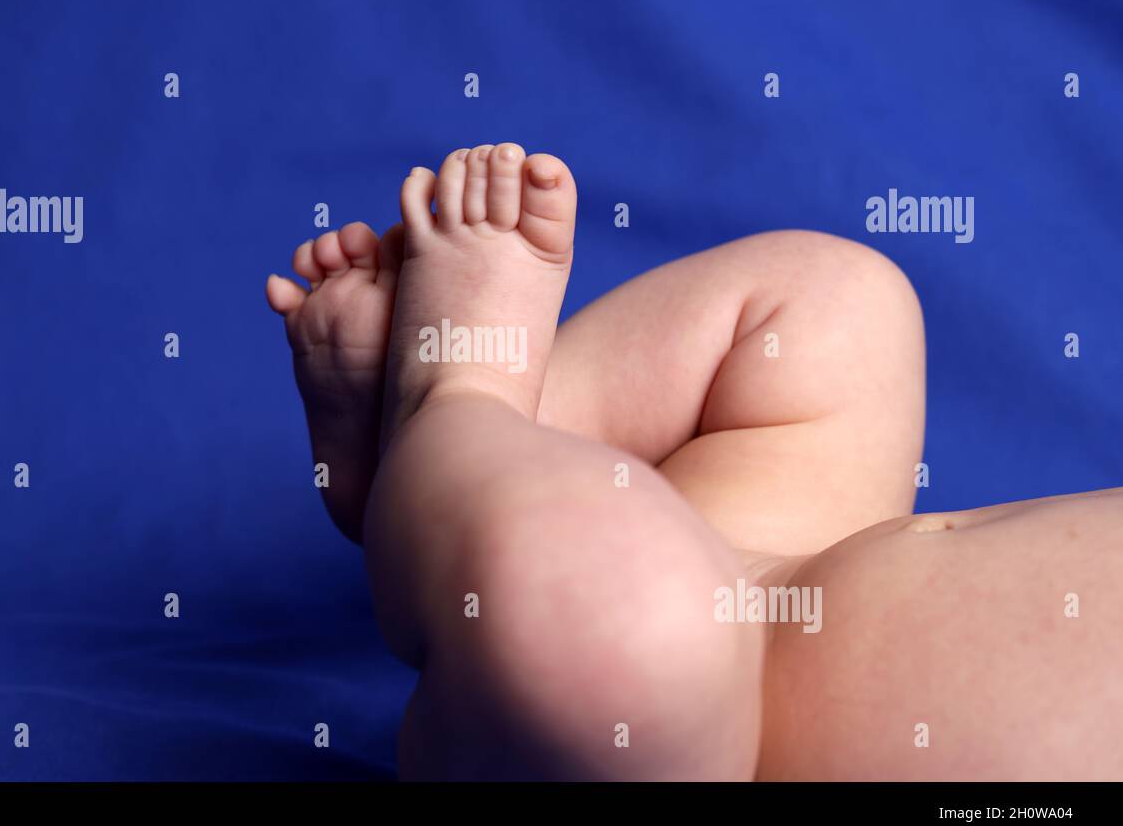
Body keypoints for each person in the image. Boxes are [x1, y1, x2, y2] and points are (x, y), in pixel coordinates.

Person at [266, 143, 1122, 780]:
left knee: (626, 623)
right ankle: (466, 465)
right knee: (837, 308)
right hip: (789, 559)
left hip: (680, 736)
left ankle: (453, 403)